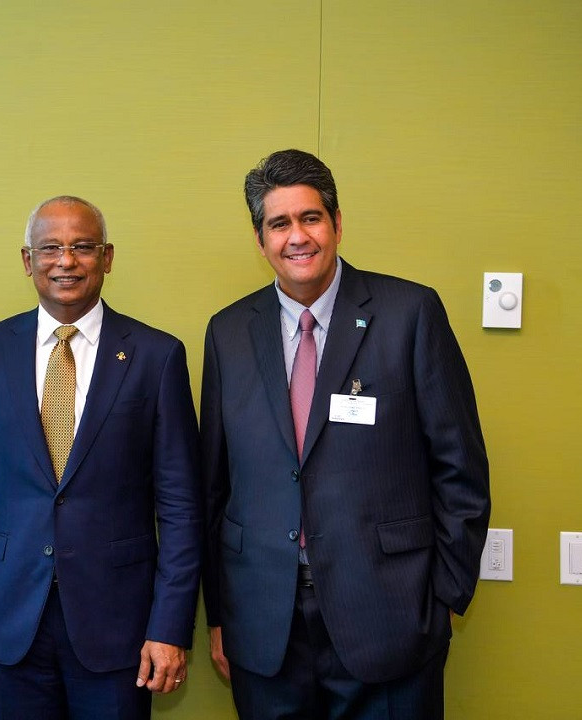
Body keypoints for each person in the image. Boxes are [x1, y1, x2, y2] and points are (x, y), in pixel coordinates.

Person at [201, 149, 491, 719]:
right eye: (278, 224)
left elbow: (460, 466)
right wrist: (220, 614)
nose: (297, 237)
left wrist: (445, 596)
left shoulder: (409, 313)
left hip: (390, 617)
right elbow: (213, 487)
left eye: (310, 217)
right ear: (260, 240)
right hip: (265, 624)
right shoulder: (228, 332)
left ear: (336, 223)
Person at [0, 195, 202, 720]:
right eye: (50, 248)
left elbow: (181, 508)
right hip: (10, 619)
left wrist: (170, 626)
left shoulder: (157, 356)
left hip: (120, 625)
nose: (66, 261)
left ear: (107, 257)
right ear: (27, 260)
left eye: (82, 247)